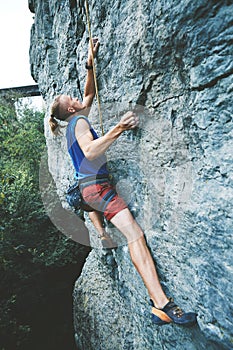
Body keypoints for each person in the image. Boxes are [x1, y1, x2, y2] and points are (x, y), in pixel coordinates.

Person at [49, 38, 197, 326]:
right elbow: (91, 150)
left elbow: (89, 94)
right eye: (73, 100)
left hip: (92, 190)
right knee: (135, 235)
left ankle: (159, 304)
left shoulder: (73, 122)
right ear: (70, 110)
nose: (78, 99)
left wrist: (90, 62)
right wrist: (119, 127)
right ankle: (161, 303)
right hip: (97, 189)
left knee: (134, 234)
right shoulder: (79, 124)